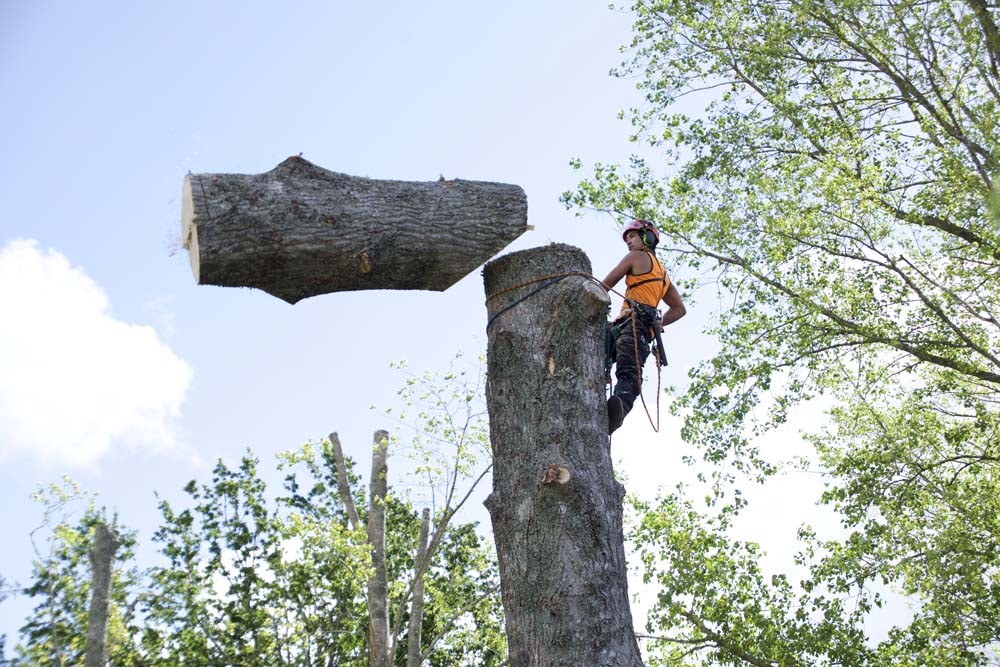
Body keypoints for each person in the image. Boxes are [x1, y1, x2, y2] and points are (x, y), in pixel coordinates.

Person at [601, 219, 686, 434]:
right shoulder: (663, 276)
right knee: (630, 377)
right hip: (636, 331)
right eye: (627, 238)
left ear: (647, 238)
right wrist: (659, 322)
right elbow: (678, 308)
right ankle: (618, 406)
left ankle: (614, 410)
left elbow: (606, 284)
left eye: (632, 236)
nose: (628, 242)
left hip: (626, 327)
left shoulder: (635, 258)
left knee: (621, 369)